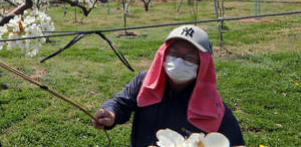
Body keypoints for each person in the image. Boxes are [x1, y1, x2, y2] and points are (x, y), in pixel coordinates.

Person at [92, 25, 244, 146]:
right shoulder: (145, 82)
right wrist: (111, 113)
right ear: (163, 54)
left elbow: (235, 142)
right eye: (174, 53)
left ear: (203, 64)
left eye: (189, 57)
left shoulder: (211, 107)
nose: (179, 61)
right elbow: (120, 102)